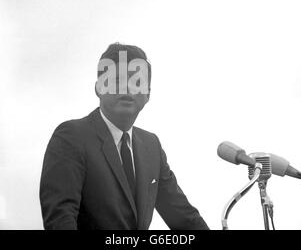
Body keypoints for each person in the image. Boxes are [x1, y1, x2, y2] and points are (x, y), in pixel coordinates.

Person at [39, 43, 209, 230]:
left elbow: (183, 217)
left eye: (137, 81)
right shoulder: (72, 136)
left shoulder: (151, 146)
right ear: (98, 88)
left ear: (148, 94)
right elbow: (60, 219)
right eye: (117, 80)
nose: (128, 88)